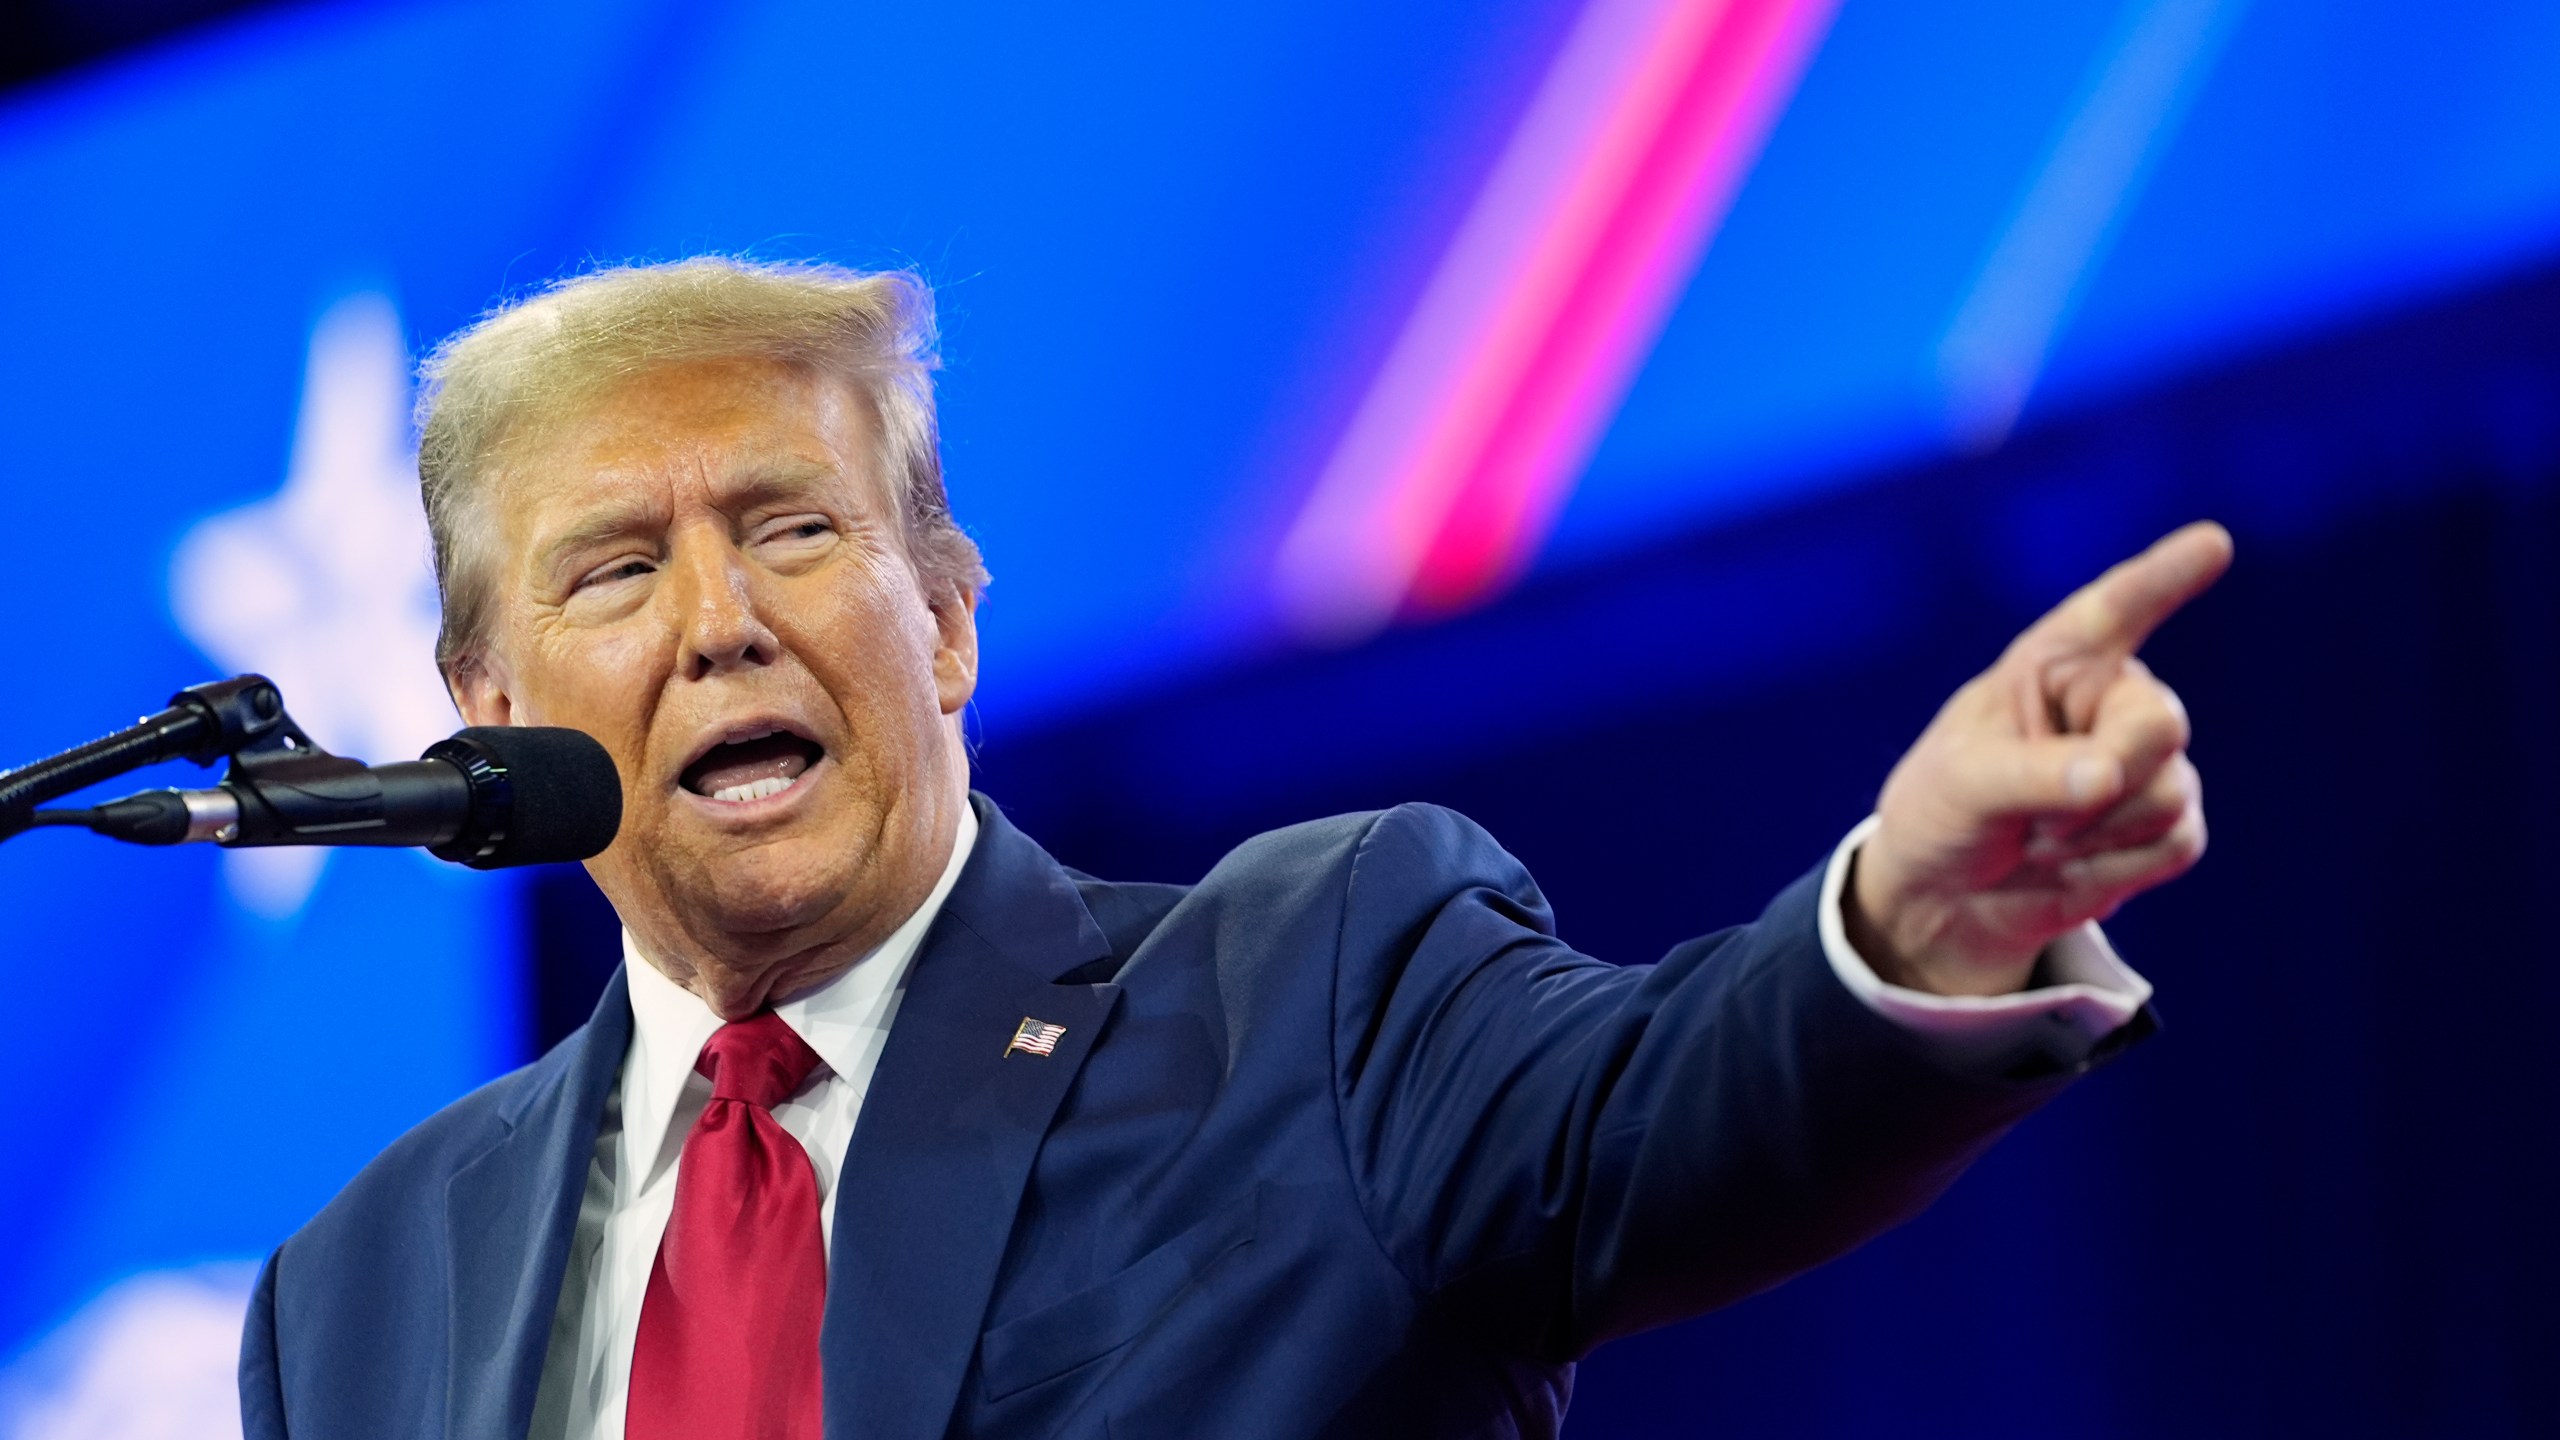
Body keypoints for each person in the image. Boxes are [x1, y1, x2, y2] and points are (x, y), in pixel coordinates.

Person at [238, 257, 2225, 1440]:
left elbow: (1669, 1109)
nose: (717, 621)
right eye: (615, 568)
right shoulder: (358, 1293)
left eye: (790, 528)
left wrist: (1907, 925)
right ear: (488, 710)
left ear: (943, 619)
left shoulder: (1313, 980)